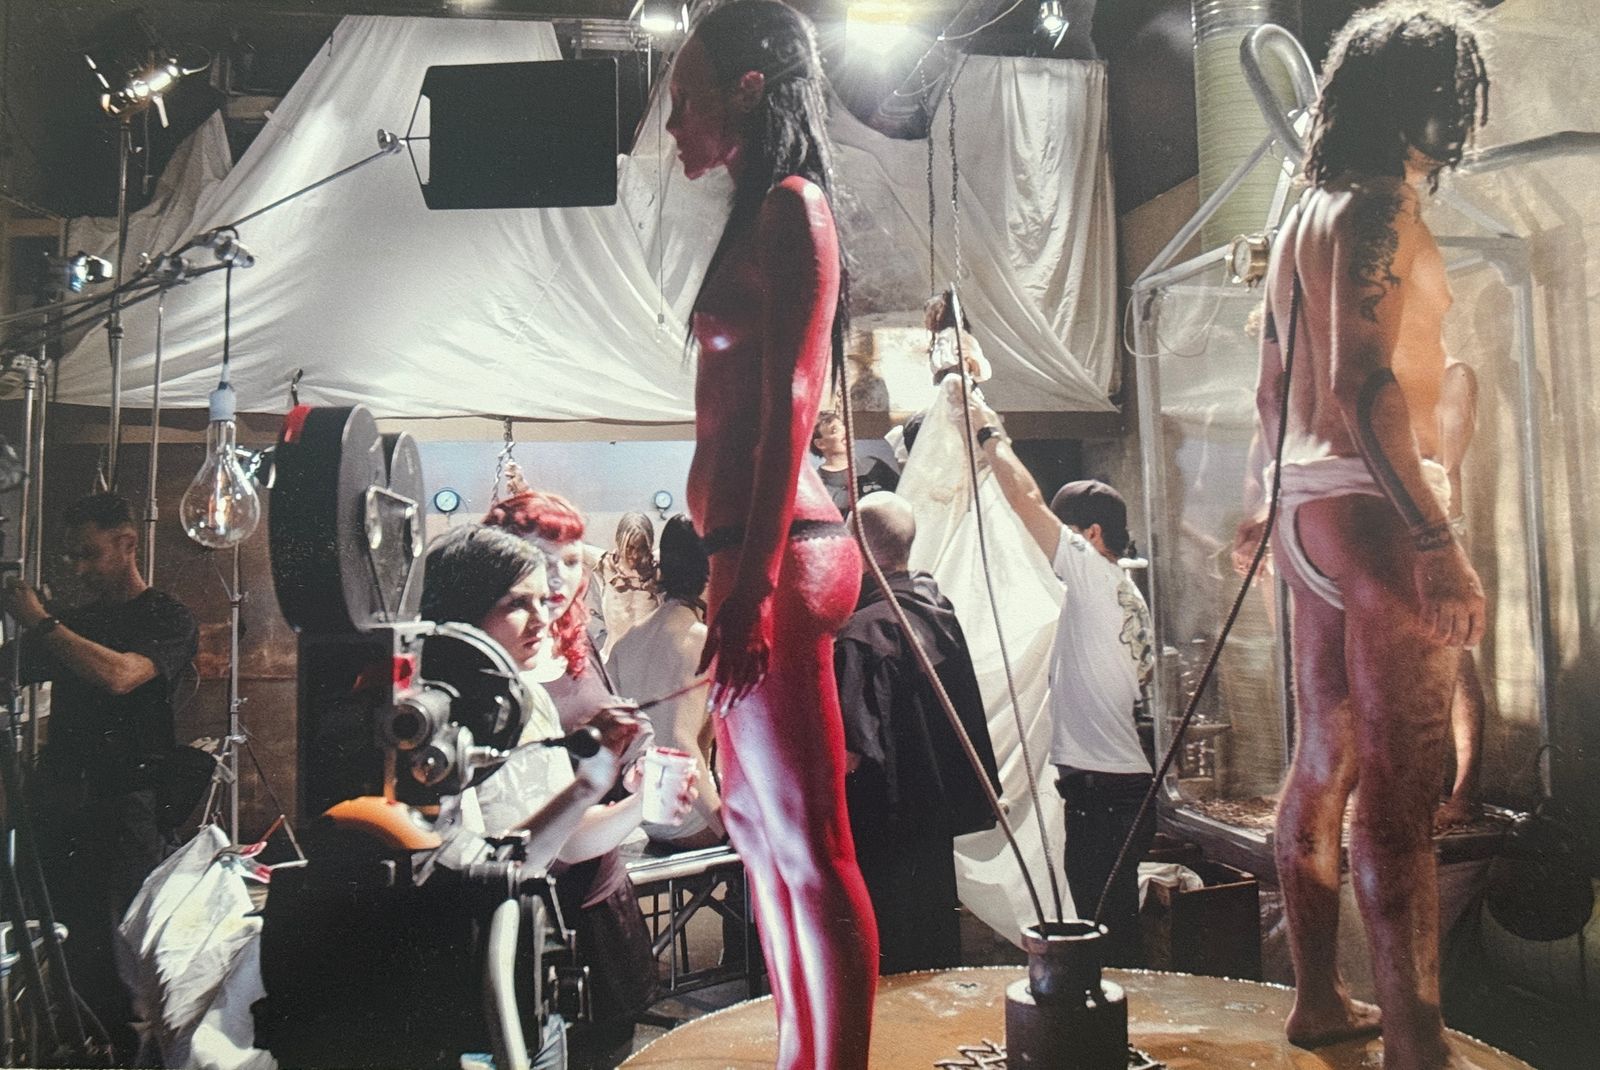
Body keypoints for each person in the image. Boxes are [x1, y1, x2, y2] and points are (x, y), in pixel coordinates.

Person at [1231, 4, 1489, 1065]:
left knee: (1322, 756)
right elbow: (1362, 379)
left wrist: (1266, 503)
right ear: (1418, 100)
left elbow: (1271, 387)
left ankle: (1318, 1001)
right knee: (1400, 790)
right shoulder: (1379, 205)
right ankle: (1417, 1043)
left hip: (1306, 507)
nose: (1459, 116)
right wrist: (1434, 535)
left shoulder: (1306, 211)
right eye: (1451, 93)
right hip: (1377, 511)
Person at [668, 2, 879, 1064]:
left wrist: (749, 585)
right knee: (758, 833)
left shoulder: (795, 206)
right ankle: (802, 1052)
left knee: (810, 841)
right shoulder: (759, 213)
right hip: (752, 554)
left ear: (749, 89)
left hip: (778, 554)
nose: (675, 126)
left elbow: (796, 395)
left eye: (686, 100)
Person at [421, 525, 692, 1070]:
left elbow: (557, 847)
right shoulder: (427, 721)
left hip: (528, 968)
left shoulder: (528, 701)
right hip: (460, 983)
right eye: (516, 604)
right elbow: (500, 867)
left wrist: (636, 800)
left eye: (542, 601)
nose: (542, 618)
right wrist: (591, 786)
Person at [1, 493, 198, 1060]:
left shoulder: (166, 617)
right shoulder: (77, 622)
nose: (79, 568)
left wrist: (42, 622)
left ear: (127, 544)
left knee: (120, 963)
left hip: (124, 808)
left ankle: (126, 1058)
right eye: (72, 557)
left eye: (89, 554)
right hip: (60, 803)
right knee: (61, 949)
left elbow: (121, 675)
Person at [961, 412, 1156, 965]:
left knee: (1103, 935)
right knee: (1111, 925)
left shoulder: (1093, 576)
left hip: (1104, 795)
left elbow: (1025, 499)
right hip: (1116, 790)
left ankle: (1119, 1012)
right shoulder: (1119, 591)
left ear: (1090, 535)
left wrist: (989, 435)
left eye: (1064, 532)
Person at [484, 490, 657, 1069]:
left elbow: (610, 723)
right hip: (541, 915)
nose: (557, 580)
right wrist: (642, 802)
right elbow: (552, 840)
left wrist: (637, 759)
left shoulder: (571, 639)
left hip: (604, 903)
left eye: (572, 561)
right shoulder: (495, 680)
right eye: (541, 561)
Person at [834, 492, 1000, 974]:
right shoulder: (935, 609)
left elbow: (848, 755)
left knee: (892, 958)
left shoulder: (861, 636)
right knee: (935, 947)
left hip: (884, 831)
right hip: (932, 821)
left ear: (856, 550)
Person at [606, 515, 723, 851]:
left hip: (642, 813)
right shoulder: (700, 640)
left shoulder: (626, 642)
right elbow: (681, 742)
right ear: (711, 568)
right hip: (688, 814)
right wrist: (725, 828)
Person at [1435, 358, 1487, 832]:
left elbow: (1446, 463)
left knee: (1456, 660)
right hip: (1404, 532)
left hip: (1440, 529)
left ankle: (1465, 792)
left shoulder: (1452, 372)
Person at [596, 512, 661, 663]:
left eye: (642, 548)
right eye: (629, 547)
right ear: (619, 542)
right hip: (612, 658)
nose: (635, 555)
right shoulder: (605, 564)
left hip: (648, 661)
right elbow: (569, 547)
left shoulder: (658, 569)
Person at [811, 411, 898, 520]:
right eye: (834, 430)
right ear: (820, 444)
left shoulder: (873, 466)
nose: (845, 432)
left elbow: (902, 495)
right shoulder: (816, 485)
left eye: (843, 426)